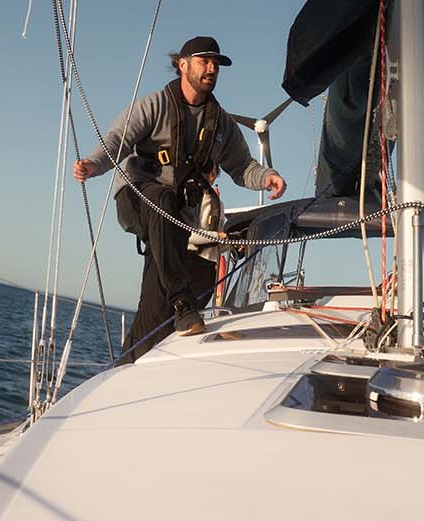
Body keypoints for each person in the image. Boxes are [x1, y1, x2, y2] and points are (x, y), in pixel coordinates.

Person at [72, 36, 285, 360]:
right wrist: (94, 164)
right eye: (204, 61)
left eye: (216, 64)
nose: (212, 68)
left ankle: (131, 361)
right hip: (137, 197)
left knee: (164, 294)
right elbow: (119, 139)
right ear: (182, 65)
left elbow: (241, 166)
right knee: (161, 201)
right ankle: (181, 300)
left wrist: (267, 177)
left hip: (177, 219)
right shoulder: (155, 105)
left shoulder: (221, 124)